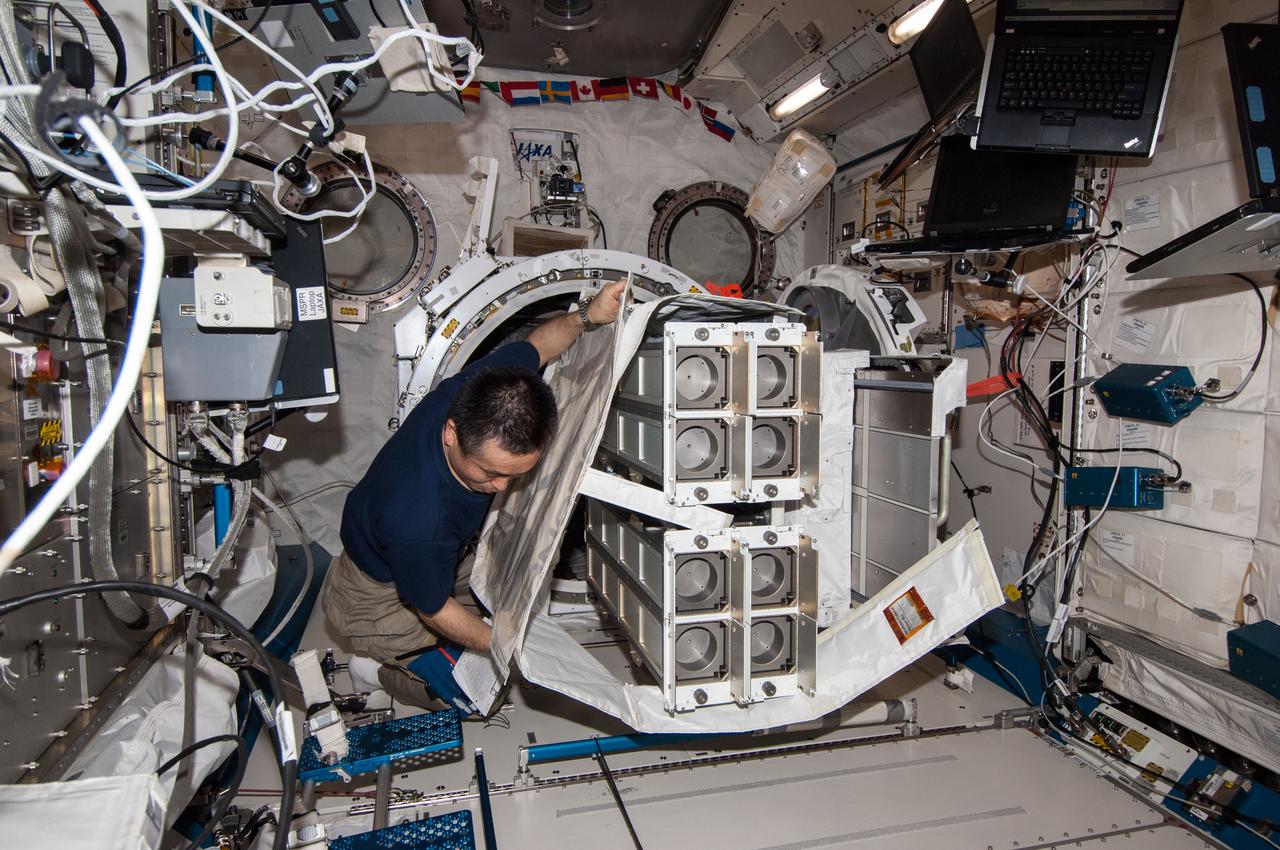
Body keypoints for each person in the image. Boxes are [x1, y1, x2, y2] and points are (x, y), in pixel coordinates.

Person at [321, 280, 625, 707]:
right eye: (490, 472)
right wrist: (512, 652)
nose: (500, 487)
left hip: (439, 557)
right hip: (376, 598)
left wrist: (589, 316)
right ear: (452, 432)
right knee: (473, 697)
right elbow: (432, 609)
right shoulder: (418, 518)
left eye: (516, 474)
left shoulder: (487, 389)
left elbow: (538, 344)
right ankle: (373, 670)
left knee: (501, 597)